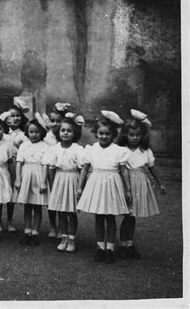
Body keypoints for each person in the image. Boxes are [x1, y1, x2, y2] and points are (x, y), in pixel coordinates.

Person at [77, 110, 132, 264]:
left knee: (111, 217)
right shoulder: (92, 149)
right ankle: (101, 247)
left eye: (107, 134)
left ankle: (110, 248)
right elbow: (85, 169)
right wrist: (80, 187)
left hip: (112, 185)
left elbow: (124, 171)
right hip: (96, 183)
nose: (103, 136)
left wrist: (128, 189)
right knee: (99, 218)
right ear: (96, 133)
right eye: (101, 133)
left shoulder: (118, 151)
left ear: (113, 135)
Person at [116, 109, 165, 259]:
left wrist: (160, 183)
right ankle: (123, 243)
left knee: (132, 216)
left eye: (137, 135)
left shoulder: (145, 150)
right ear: (125, 135)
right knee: (128, 215)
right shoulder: (122, 150)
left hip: (139, 183)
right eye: (131, 135)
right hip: (126, 182)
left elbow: (152, 168)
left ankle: (129, 243)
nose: (135, 138)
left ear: (142, 136)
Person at [47, 113, 85, 253]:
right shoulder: (55, 149)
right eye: (63, 130)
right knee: (61, 212)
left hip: (72, 180)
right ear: (58, 132)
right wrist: (53, 186)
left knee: (71, 212)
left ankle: (71, 239)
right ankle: (63, 237)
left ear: (74, 133)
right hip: (59, 180)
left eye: (69, 131)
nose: (65, 133)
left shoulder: (78, 149)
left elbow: (82, 169)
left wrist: (80, 187)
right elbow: (51, 169)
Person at [14, 115, 49, 246]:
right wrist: (18, 179)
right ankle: (27, 232)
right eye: (31, 132)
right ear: (27, 132)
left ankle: (35, 233)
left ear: (42, 132)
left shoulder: (45, 146)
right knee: (27, 207)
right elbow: (18, 162)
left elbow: (45, 164)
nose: (34, 135)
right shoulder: (24, 146)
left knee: (37, 207)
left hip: (39, 175)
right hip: (26, 175)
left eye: (37, 132)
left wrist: (44, 182)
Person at [0, 97, 29, 233]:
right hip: (2, 165)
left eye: (18, 116)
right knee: (0, 192)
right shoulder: (2, 133)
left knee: (12, 194)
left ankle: (9, 221)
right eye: (12, 116)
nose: (15, 119)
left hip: (16, 165)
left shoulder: (23, 135)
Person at [43, 102, 71, 239]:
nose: (55, 124)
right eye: (52, 121)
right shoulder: (46, 137)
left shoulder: (65, 136)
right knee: (51, 199)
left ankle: (62, 227)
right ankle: (53, 225)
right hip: (49, 170)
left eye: (58, 121)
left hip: (61, 172)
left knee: (62, 199)